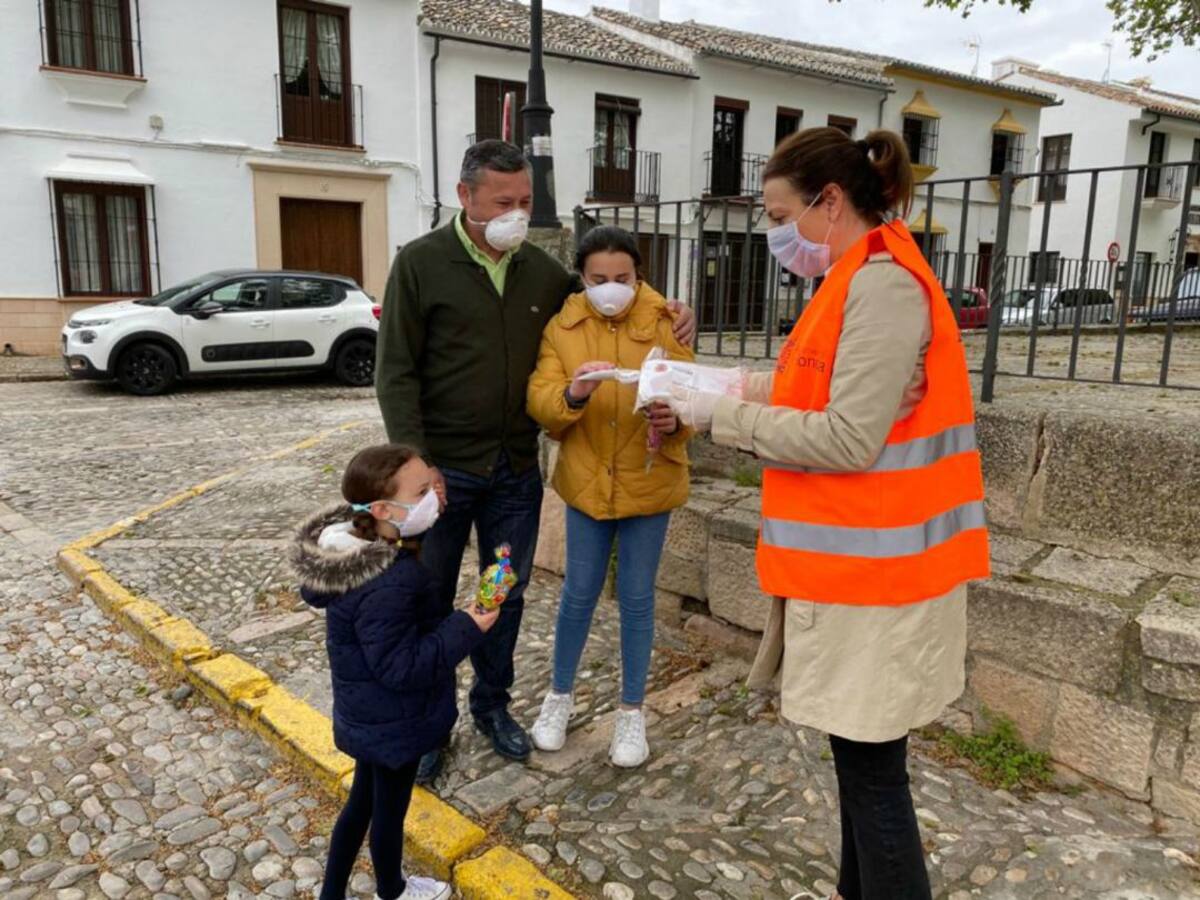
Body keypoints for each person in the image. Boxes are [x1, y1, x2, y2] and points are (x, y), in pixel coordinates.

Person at [665, 127, 990, 900]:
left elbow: (847, 436)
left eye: (781, 212)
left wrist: (718, 418)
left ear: (831, 200)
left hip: (879, 577)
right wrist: (733, 385)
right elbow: (817, 386)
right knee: (862, 769)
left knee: (874, 779)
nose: (778, 232)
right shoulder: (859, 275)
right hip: (861, 567)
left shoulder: (881, 285)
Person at [375, 140, 695, 782]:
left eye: (525, 201)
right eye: (503, 202)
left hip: (513, 477)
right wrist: (416, 466)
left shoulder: (542, 274)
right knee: (432, 597)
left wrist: (676, 312)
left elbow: (612, 294)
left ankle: (492, 706)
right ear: (465, 197)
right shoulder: (419, 264)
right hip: (443, 476)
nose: (517, 214)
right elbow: (396, 372)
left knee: (502, 594)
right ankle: (431, 723)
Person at [291, 444, 499, 900]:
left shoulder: (354, 554)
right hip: (395, 719)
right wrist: (468, 625)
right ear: (384, 509)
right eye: (424, 490)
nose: (435, 498)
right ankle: (393, 890)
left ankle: (332, 895)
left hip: (370, 716)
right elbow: (401, 667)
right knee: (388, 811)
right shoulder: (389, 579)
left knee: (362, 801)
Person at [525, 226, 692, 767]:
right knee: (578, 593)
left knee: (639, 599)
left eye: (623, 278)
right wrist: (574, 392)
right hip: (587, 480)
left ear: (638, 274)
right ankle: (558, 697)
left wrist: (675, 420)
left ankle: (631, 712)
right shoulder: (563, 325)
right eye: (599, 279)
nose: (611, 288)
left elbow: (693, 397)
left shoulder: (669, 320)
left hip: (649, 477)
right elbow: (541, 399)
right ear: (582, 277)